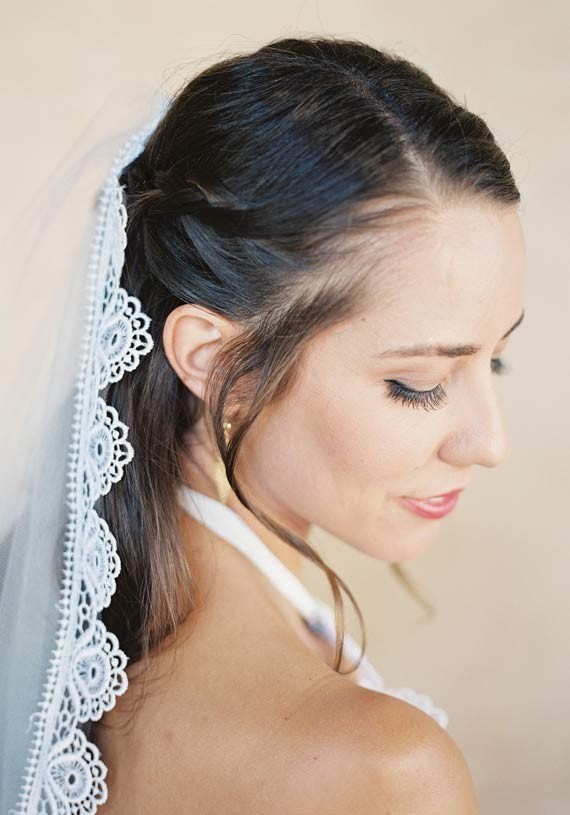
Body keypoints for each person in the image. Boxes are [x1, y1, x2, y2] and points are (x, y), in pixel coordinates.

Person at [2, 36, 526, 814]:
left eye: (497, 361)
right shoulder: (387, 772)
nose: (491, 443)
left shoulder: (61, 626)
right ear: (220, 364)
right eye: (417, 384)